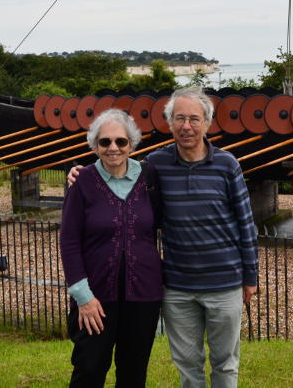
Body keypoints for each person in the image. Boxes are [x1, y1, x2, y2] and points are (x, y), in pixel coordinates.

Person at [69, 88, 259, 388]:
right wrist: (79, 173)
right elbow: (114, 176)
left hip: (222, 282)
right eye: (179, 118)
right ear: (169, 123)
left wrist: (251, 277)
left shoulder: (226, 165)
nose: (187, 126)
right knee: (188, 366)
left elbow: (246, 225)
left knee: (225, 364)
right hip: (178, 286)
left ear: (207, 123)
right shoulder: (155, 166)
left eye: (194, 119)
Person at [59, 108, 163, 388]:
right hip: (95, 297)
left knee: (133, 373)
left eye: (121, 141)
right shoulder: (82, 182)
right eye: (105, 142)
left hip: (143, 296)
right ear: (94, 145)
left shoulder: (149, 178)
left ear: (132, 144)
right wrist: (83, 297)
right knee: (89, 369)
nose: (113, 148)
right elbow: (68, 241)